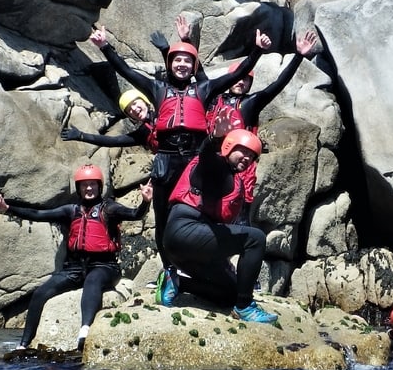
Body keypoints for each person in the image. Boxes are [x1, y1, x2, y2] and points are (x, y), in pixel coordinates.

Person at [88, 23, 271, 278]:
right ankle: (169, 271)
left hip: (195, 158)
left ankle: (208, 264)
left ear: (194, 66)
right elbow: (127, 71)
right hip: (166, 160)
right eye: (177, 60)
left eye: (187, 60)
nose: (182, 64)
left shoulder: (204, 89)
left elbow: (234, 75)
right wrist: (105, 47)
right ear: (170, 63)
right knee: (162, 217)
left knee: (204, 210)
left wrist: (257, 51)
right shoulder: (158, 89)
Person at [0, 165, 152, 352]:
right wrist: (7, 209)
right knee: (41, 292)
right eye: (84, 185)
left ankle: (85, 331)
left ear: (99, 187)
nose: (89, 189)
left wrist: (145, 202)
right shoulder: (71, 211)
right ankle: (23, 344)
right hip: (74, 267)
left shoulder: (110, 208)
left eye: (92, 185)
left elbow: (135, 214)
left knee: (92, 281)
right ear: (79, 188)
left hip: (105, 266)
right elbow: (39, 215)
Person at [160, 127, 277, 323]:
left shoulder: (232, 178)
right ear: (228, 147)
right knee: (255, 239)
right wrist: (214, 137)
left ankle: (178, 283)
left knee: (231, 292)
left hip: (193, 246)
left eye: (252, 156)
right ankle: (245, 308)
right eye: (243, 152)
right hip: (184, 230)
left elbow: (218, 230)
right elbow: (206, 157)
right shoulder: (216, 167)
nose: (247, 158)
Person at [205, 29, 320, 219]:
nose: (241, 82)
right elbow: (197, 75)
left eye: (246, 80)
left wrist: (299, 56)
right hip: (214, 160)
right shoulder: (213, 99)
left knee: (238, 213)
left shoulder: (252, 102)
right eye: (238, 77)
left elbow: (278, 84)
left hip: (240, 166)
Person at [61, 89, 158, 153]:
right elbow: (114, 141)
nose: (134, 109)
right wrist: (81, 136)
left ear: (145, 101)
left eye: (135, 103)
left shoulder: (164, 110)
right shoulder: (143, 133)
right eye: (129, 110)